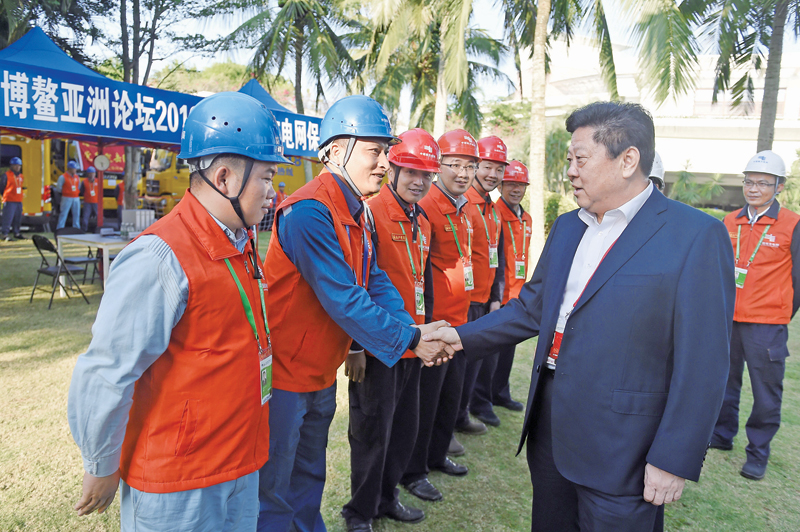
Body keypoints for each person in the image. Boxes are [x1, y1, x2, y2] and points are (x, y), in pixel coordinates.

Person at [425, 101, 735, 532]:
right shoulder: (570, 226)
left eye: (580, 159)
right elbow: (532, 307)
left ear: (628, 160)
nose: (569, 170)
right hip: (551, 427)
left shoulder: (695, 236)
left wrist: (673, 457)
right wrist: (458, 338)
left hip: (626, 446)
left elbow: (704, 362)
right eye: (569, 160)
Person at [67, 91, 288, 531]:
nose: (273, 192)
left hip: (237, 463)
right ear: (225, 178)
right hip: (180, 483)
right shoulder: (160, 256)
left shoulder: (239, 243)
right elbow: (107, 371)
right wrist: (101, 462)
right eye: (266, 176)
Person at [257, 95, 448, 532]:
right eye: (374, 151)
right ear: (335, 150)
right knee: (274, 485)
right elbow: (343, 296)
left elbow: (374, 278)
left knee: (309, 473)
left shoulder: (355, 206)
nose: (385, 162)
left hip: (319, 370)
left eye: (386, 151)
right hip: (287, 373)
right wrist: (413, 340)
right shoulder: (310, 211)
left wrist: (410, 328)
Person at [341, 128, 439, 532]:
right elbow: (356, 283)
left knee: (403, 429)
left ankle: (386, 498)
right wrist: (354, 347)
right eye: (411, 172)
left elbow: (423, 283)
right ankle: (359, 512)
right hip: (378, 345)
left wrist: (427, 335)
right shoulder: (371, 213)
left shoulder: (423, 219)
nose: (419, 182)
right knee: (370, 434)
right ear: (393, 169)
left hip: (412, 342)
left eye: (427, 175)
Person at [710, 150, 800, 481]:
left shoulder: (792, 224)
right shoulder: (729, 221)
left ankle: (758, 452)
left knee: (766, 392)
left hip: (767, 325)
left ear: (778, 186)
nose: (754, 188)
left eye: (763, 183)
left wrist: (780, 311)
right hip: (728, 319)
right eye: (749, 181)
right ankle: (721, 434)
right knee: (724, 382)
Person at [400, 129, 478, 503]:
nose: (463, 173)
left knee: (450, 397)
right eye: (455, 165)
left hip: (460, 321)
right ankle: (414, 471)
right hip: (436, 324)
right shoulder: (427, 203)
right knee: (425, 403)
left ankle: (436, 455)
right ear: (439, 167)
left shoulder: (466, 209)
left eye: (470, 166)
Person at [470, 160, 531, 420]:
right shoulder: (494, 212)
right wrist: (497, 294)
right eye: (512, 184)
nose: (516, 190)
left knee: (508, 351)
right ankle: (482, 401)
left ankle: (500, 392)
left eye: (521, 185)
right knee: (490, 355)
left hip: (517, 295)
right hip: (497, 294)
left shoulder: (526, 218)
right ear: (503, 185)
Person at [456, 135, 507, 435]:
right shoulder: (464, 204)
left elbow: (496, 257)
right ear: (476, 166)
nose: (493, 175)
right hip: (463, 303)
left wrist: (495, 297)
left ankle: (461, 416)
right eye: (487, 166)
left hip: (484, 301)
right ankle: (448, 425)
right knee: (456, 370)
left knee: (471, 367)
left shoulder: (493, 208)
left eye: (498, 169)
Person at [1, 156, 25, 241]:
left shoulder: (21, 176)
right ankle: (5, 234)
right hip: (9, 200)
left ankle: (16, 232)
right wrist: (5, 196)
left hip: (18, 200)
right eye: (15, 165)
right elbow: (2, 187)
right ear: (11, 166)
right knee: (8, 218)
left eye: (19, 165)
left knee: (18, 218)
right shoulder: (6, 175)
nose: (17, 167)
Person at [56, 160, 82, 229]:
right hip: (66, 198)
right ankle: (60, 228)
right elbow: (59, 188)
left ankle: (76, 227)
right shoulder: (63, 177)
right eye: (74, 169)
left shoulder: (77, 177)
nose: (75, 170)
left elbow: (78, 186)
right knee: (64, 213)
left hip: (76, 198)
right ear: (70, 169)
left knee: (76, 214)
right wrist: (66, 192)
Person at [80, 167, 100, 231]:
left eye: (93, 173)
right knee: (85, 217)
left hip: (96, 202)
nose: (92, 175)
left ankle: (98, 230)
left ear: (95, 174)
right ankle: (84, 230)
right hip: (87, 202)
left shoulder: (98, 181)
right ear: (88, 174)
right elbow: (82, 191)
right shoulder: (84, 182)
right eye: (90, 173)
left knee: (99, 217)